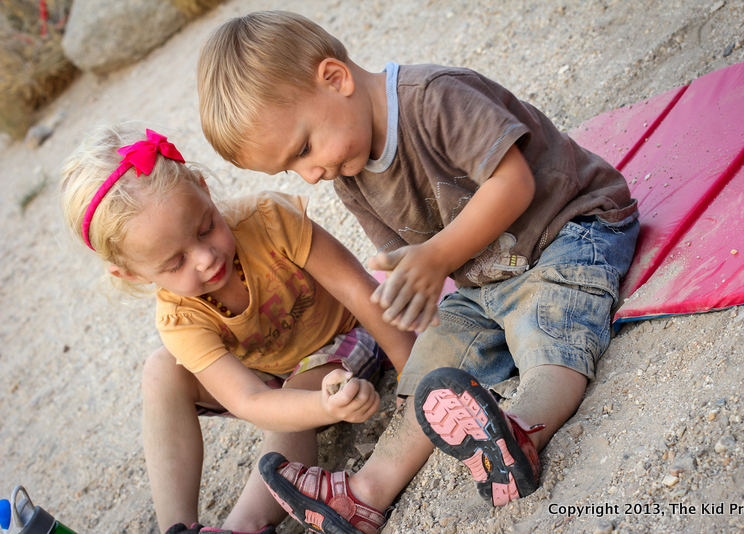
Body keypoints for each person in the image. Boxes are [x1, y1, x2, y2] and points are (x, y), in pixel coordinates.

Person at [196, 10, 640, 534]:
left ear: (334, 79)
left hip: (568, 230)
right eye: (291, 169)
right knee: (431, 369)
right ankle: (365, 495)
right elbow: (409, 263)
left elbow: (513, 183)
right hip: (486, 278)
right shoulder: (352, 175)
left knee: (549, 328)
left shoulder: (433, 97)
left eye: (304, 149)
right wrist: (414, 296)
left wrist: (436, 258)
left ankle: (523, 431)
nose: (310, 175)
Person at [59, 124, 416, 534]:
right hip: (267, 378)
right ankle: (176, 527)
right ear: (132, 274)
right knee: (162, 370)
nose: (205, 258)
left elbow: (356, 288)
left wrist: (413, 371)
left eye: (206, 226)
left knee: (293, 393)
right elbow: (247, 399)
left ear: (203, 188)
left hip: (342, 341)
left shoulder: (266, 219)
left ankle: (244, 526)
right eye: (175, 264)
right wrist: (313, 406)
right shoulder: (178, 316)